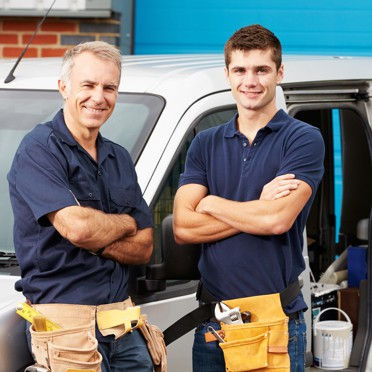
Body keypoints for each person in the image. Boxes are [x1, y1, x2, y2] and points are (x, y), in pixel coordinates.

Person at [173, 25, 325, 372]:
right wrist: (257, 204)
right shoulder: (205, 143)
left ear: (279, 72)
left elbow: (277, 220)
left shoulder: (303, 139)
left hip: (275, 322)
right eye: (240, 70)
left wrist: (211, 203)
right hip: (214, 325)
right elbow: (183, 226)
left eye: (261, 69)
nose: (250, 81)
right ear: (227, 73)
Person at [8, 41, 154, 371]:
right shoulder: (39, 149)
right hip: (65, 329)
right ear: (64, 87)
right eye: (88, 85)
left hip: (123, 325)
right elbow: (78, 228)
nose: (98, 97)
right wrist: (125, 223)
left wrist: (96, 238)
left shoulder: (119, 158)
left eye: (109, 87)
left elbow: (144, 246)